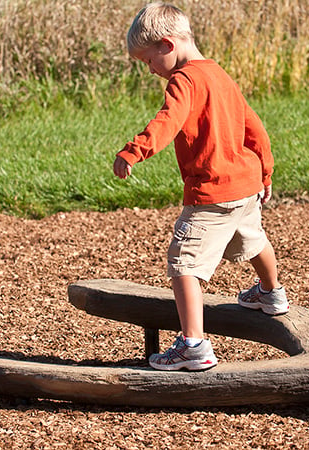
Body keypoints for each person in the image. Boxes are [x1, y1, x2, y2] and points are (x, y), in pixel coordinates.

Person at [113, 2, 288, 371]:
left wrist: (133, 152)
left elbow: (167, 121)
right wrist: (265, 173)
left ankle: (192, 345)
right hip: (245, 184)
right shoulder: (219, 74)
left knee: (184, 264)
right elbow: (253, 126)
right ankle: (272, 295)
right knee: (253, 238)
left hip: (212, 191)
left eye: (148, 61)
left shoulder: (184, 80)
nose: (150, 69)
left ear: (166, 44)